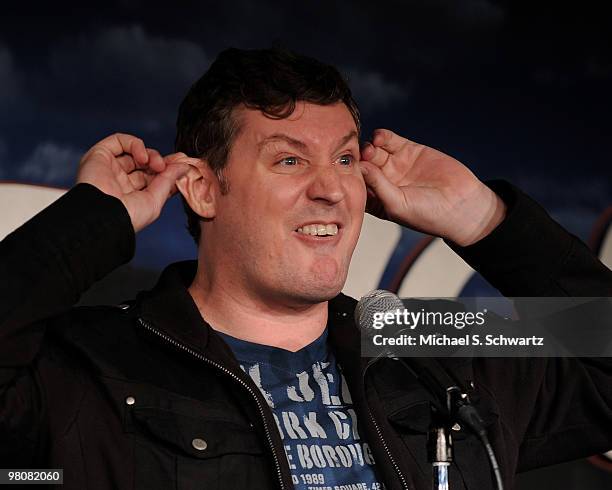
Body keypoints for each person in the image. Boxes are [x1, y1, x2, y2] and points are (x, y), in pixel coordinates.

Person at [0, 47, 610, 490]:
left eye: (345, 158)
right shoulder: (92, 366)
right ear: (204, 190)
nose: (331, 189)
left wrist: (486, 218)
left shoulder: (426, 346)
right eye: (290, 161)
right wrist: (89, 223)